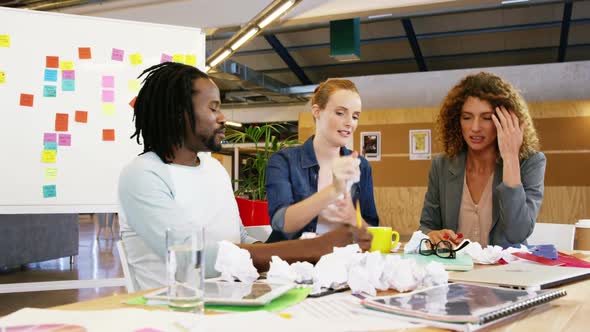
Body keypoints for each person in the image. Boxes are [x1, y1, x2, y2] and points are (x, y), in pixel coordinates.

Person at [118, 62, 371, 290]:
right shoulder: (143, 175)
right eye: (213, 108)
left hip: (230, 300)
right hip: (174, 312)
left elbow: (238, 238)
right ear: (179, 114)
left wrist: (300, 260)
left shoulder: (213, 169)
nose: (222, 118)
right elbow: (193, 258)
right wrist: (311, 249)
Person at [419, 72, 545, 248]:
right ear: (457, 120)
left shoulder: (531, 163)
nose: (475, 128)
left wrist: (510, 159)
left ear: (505, 121)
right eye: (467, 117)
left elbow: (517, 233)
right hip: (454, 272)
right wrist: (433, 235)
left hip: (505, 273)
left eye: (486, 118)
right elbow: (426, 227)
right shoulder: (442, 165)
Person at [266, 79, 379, 242]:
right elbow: (281, 223)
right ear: (317, 111)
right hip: (289, 264)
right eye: (340, 113)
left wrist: (353, 218)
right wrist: (334, 190)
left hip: (339, 263)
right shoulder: (284, 161)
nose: (349, 123)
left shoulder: (361, 166)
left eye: (355, 116)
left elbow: (372, 234)